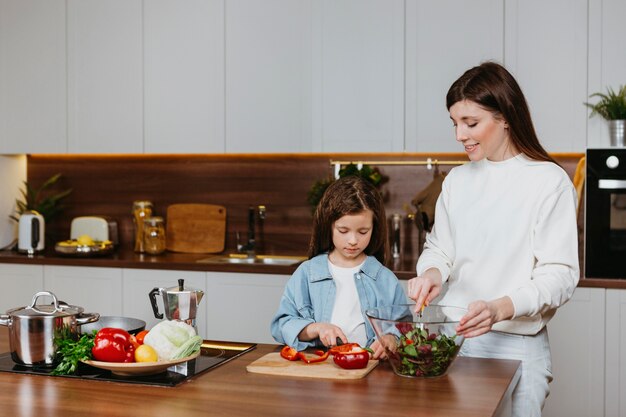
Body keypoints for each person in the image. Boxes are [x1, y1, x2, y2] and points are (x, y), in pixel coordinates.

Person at [407, 62, 579, 417]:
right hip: (455, 342)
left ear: (505, 117)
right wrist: (431, 274)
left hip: (517, 349)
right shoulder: (457, 180)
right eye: (455, 123)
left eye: (471, 123)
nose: (459, 135)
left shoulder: (548, 181)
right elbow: (440, 249)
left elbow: (560, 275)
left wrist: (499, 307)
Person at [271, 175, 407, 359]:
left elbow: (405, 327)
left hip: (370, 370)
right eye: (343, 231)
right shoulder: (307, 273)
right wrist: (315, 328)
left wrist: (392, 338)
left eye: (363, 232)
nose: (353, 241)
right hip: (320, 369)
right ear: (328, 225)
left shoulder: (385, 279)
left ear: (375, 228)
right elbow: (281, 326)